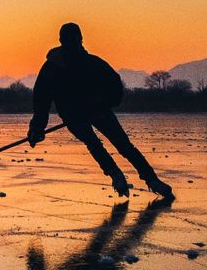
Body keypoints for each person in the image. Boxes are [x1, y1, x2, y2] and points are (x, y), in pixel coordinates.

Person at [28, 22, 174, 199]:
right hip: (73, 116)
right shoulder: (52, 68)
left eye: (75, 39)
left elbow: (114, 85)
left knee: (124, 146)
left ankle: (151, 179)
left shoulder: (92, 63)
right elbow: (42, 99)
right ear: (62, 41)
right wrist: (37, 127)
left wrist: (103, 102)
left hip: (98, 111)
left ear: (80, 40)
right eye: (69, 40)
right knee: (95, 144)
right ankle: (116, 174)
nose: (73, 43)